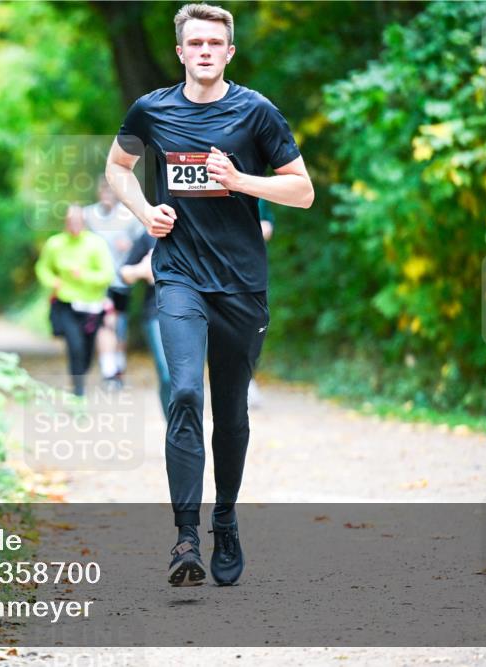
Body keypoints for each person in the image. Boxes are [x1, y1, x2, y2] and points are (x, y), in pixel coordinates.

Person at [104, 3, 313, 587]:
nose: (203, 51)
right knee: (186, 393)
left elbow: (303, 192)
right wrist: (145, 211)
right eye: (193, 43)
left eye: (213, 43)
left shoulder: (257, 112)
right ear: (180, 51)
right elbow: (119, 167)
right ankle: (185, 537)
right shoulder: (152, 109)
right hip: (179, 276)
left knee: (233, 412)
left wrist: (240, 181)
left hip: (242, 284)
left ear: (228, 52)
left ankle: (225, 518)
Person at [35, 204, 116, 396]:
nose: (74, 225)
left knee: (87, 351)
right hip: (66, 304)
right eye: (71, 221)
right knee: (75, 345)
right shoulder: (55, 244)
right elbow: (42, 268)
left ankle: (81, 375)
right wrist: (52, 281)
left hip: (91, 307)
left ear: (84, 222)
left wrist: (83, 275)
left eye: (78, 221)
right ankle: (78, 390)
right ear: (65, 222)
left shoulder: (96, 244)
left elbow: (107, 275)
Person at [83, 177, 143, 389]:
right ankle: (109, 371)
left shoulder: (130, 217)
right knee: (105, 323)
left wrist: (130, 247)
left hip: (121, 281)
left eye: (112, 191)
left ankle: (117, 368)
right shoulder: (88, 215)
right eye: (104, 190)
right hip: (98, 282)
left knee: (119, 327)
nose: (108, 195)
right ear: (99, 192)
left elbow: (144, 243)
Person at [119, 231, 171, 420]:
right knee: (167, 374)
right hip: (155, 312)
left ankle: (187, 428)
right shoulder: (150, 234)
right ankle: (174, 431)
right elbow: (124, 273)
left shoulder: (197, 227)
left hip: (195, 314)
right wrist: (143, 270)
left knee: (188, 380)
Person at [247, 198, 275, 408]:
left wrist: (257, 230)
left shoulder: (259, 193)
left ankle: (247, 377)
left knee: (255, 326)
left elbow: (268, 225)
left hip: (251, 271)